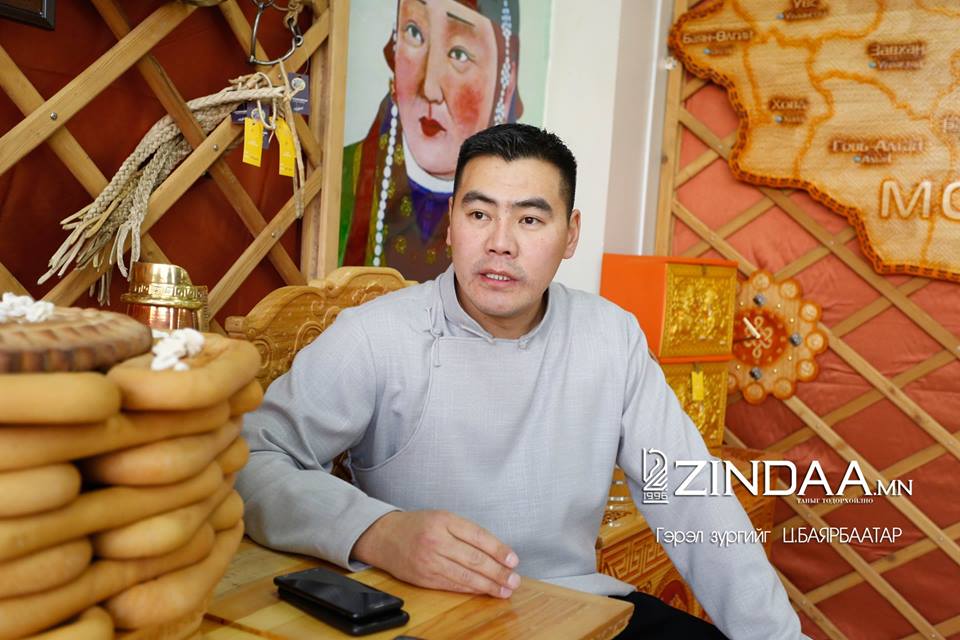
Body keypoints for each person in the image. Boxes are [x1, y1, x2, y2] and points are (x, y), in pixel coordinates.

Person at [238, 124, 807, 639]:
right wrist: (378, 531)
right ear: (451, 222)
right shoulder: (377, 335)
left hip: (578, 606)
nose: (500, 243)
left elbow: (690, 495)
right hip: (423, 614)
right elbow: (251, 459)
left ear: (570, 234)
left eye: (530, 219)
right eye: (479, 214)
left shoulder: (610, 336)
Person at [339, 0, 521, 282]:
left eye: (459, 54)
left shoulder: (526, 212)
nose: (429, 88)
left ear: (505, 83)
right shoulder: (341, 180)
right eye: (414, 33)